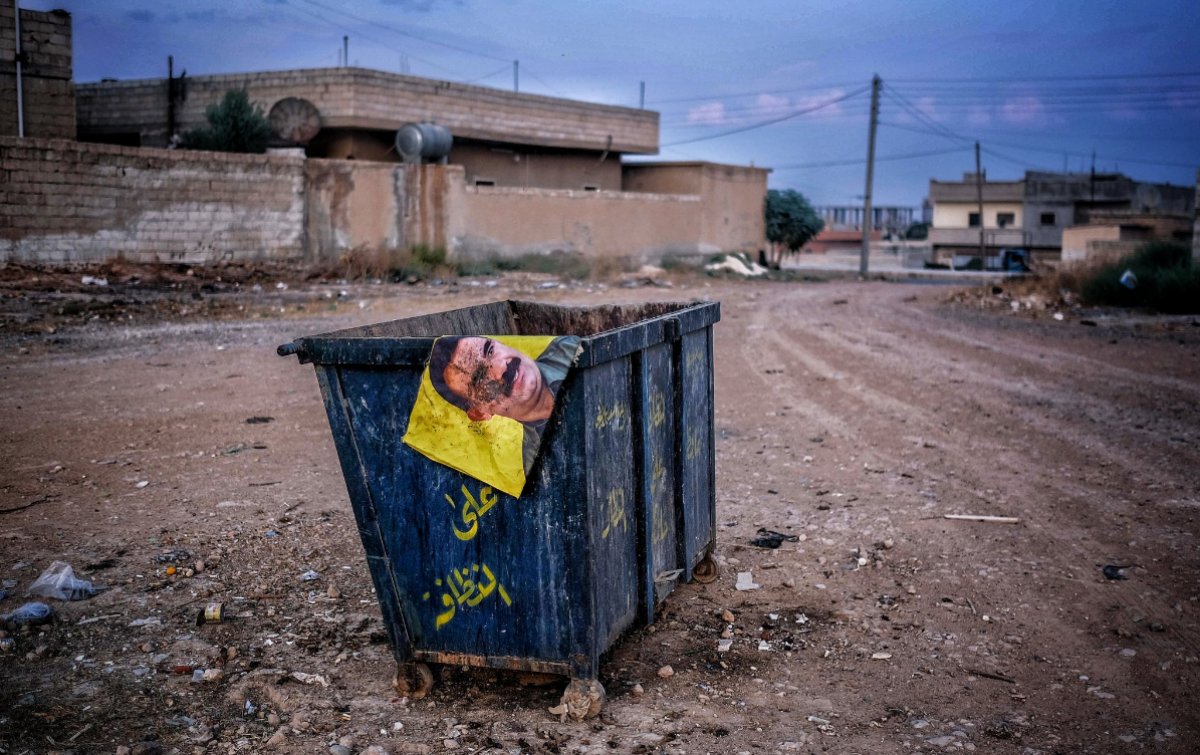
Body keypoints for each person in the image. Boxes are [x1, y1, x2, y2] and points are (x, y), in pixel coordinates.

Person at [428, 335, 577, 472]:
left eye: (489, 350)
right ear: (479, 413)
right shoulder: (542, 468)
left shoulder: (574, 347)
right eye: (478, 378)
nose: (501, 368)